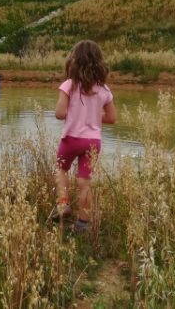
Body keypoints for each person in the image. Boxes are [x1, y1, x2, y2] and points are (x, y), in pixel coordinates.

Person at [51, 40, 116, 233]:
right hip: (93, 141)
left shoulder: (69, 85)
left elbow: (60, 113)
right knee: (84, 181)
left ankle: (63, 205)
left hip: (71, 139)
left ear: (74, 61)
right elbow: (112, 118)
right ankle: (83, 223)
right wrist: (93, 116)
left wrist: (75, 114)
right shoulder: (104, 89)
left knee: (61, 170)